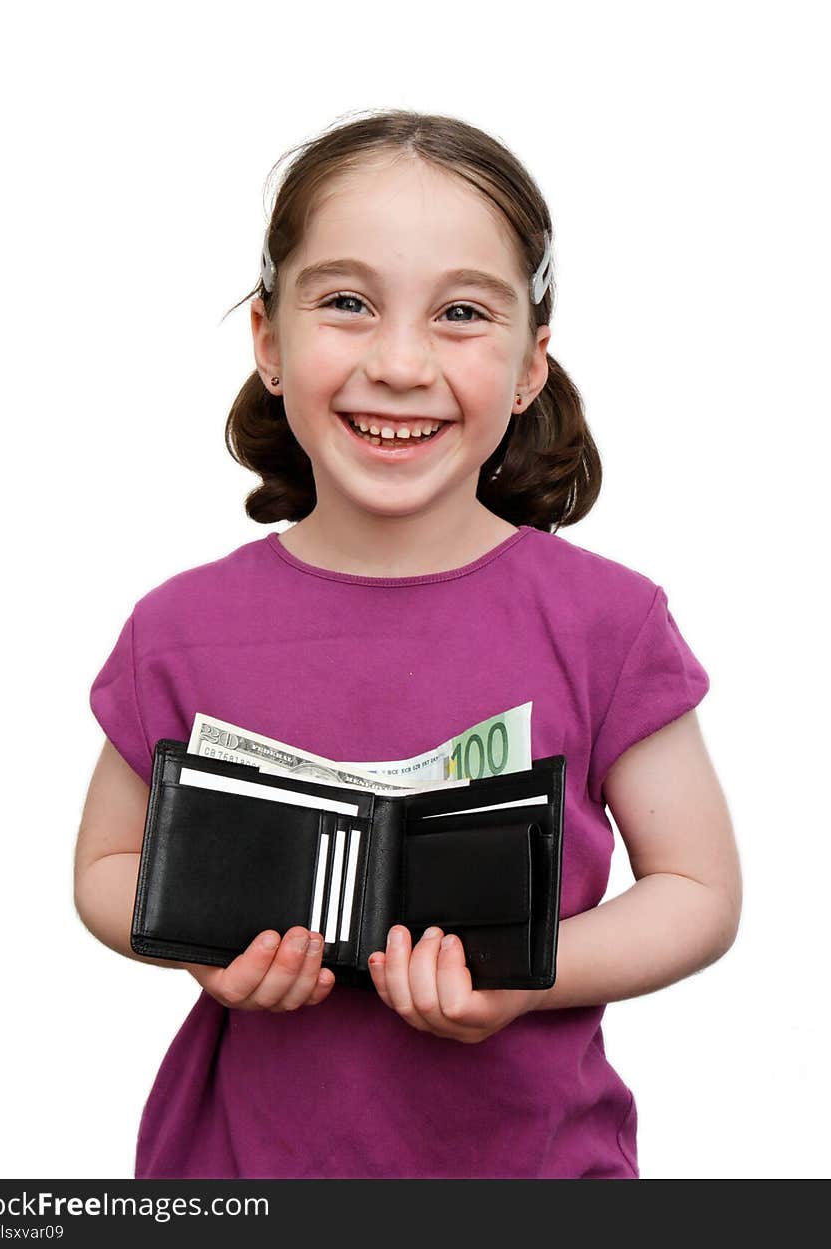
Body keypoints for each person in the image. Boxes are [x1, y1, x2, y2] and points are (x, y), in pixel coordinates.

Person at [74, 108, 742, 1180]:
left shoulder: (607, 622)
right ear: (267, 342)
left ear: (529, 366)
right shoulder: (177, 627)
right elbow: (108, 864)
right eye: (345, 302)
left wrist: (532, 971)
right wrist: (199, 943)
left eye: (461, 313)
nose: (397, 361)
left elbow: (699, 890)